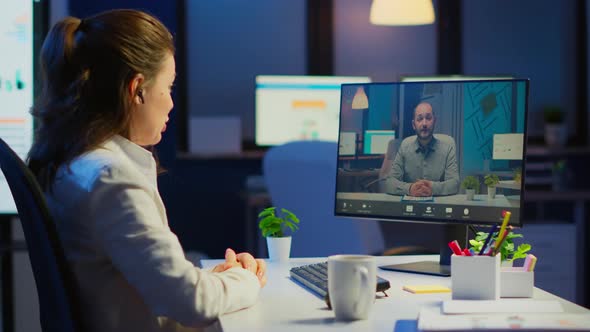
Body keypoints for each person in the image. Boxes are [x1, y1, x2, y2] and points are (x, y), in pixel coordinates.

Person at [27, 9, 265, 332]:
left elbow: (146, 281)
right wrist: (246, 279)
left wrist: (215, 278)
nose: (170, 103)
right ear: (137, 88)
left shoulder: (75, 164)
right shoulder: (111, 180)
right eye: (168, 88)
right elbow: (192, 303)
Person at [380, 101, 459, 196]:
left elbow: (454, 184)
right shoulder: (405, 146)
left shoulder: (448, 146)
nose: (424, 123)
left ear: (434, 121)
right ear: (414, 125)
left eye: (428, 118)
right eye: (420, 119)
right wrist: (409, 189)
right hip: (410, 206)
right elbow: (389, 183)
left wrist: (432, 188)